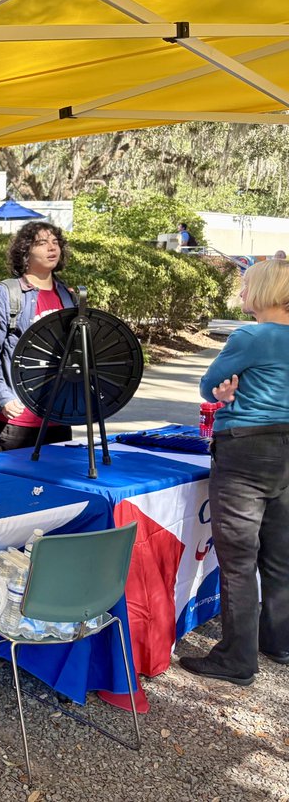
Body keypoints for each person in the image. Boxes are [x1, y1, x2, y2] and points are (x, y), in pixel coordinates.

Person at [180, 258, 289, 686]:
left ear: (264, 291)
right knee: (279, 556)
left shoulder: (251, 335)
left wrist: (225, 391)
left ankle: (236, 658)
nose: (241, 294)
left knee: (239, 559)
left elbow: (209, 387)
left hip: (246, 448)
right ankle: (278, 642)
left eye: (245, 286)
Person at [0, 221, 76, 453]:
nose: (52, 248)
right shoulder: (5, 294)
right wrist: (4, 398)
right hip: (17, 416)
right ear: (25, 253)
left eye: (55, 242)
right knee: (14, 487)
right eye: (41, 243)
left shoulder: (67, 295)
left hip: (59, 416)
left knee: (57, 485)